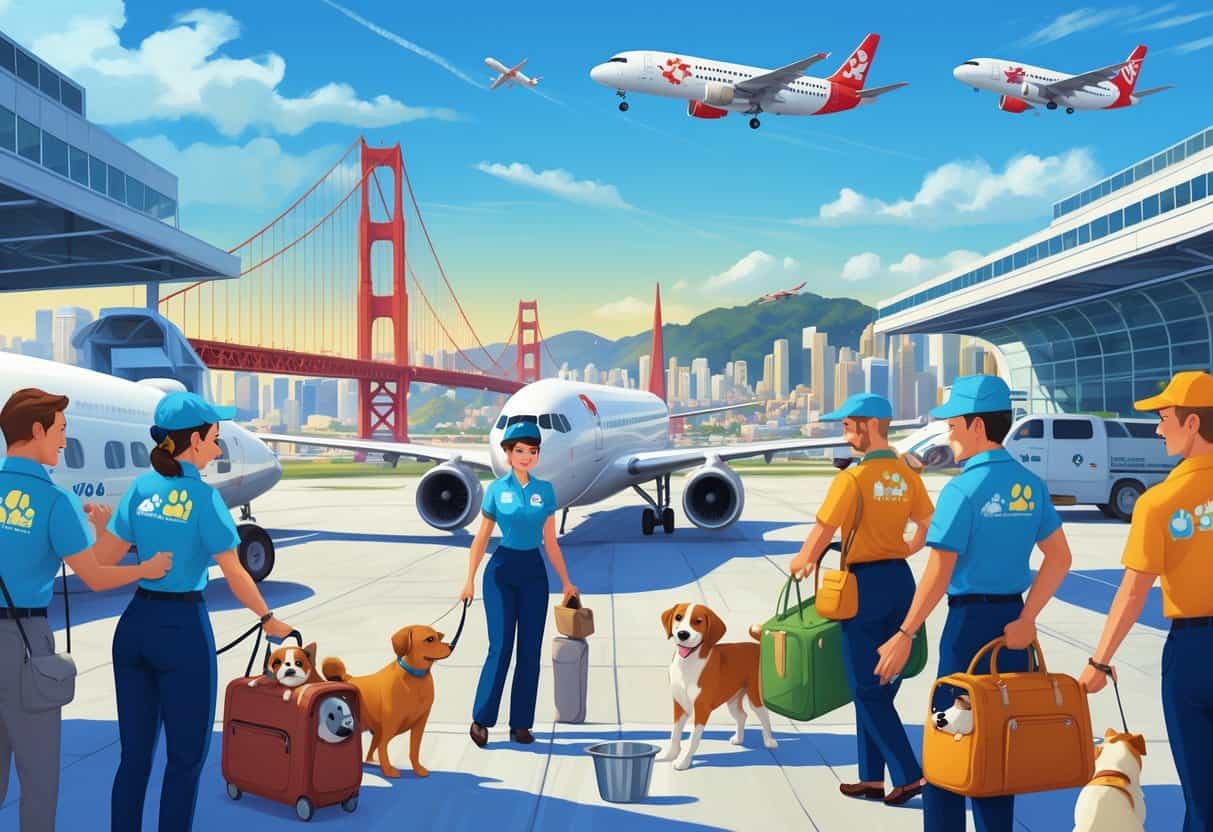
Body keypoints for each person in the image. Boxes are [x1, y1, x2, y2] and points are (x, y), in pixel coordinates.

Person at [873, 375, 1073, 832]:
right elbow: (1059, 558)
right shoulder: (1030, 485)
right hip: (1013, 630)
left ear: (977, 426)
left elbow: (939, 572)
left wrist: (905, 633)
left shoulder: (961, 491)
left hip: (968, 630)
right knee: (1001, 745)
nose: (949, 435)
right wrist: (1027, 618)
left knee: (949, 741)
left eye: (954, 425)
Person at [101, 391, 294, 832]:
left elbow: (105, 560)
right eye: (214, 439)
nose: (218, 448)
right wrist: (268, 618)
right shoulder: (204, 499)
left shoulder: (139, 490)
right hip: (182, 630)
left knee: (133, 757)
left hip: (135, 626)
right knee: (185, 758)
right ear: (193, 441)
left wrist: (98, 528)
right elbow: (236, 572)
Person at [0, 389, 171, 832]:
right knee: (38, 778)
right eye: (60, 430)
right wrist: (143, 566)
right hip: (23, 643)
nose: (64, 440)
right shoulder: (55, 501)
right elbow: (94, 574)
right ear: (36, 431)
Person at [1078, 371, 1213, 832]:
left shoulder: (1159, 503)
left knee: (1201, 797)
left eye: (1164, 417)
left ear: (1192, 423)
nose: (1158, 429)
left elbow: (1134, 590)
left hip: (1193, 653)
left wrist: (1100, 662)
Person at [786, 393, 933, 806]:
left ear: (869, 427)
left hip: (862, 587)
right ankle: (871, 779)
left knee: (866, 689)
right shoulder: (907, 476)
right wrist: (905, 549)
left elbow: (824, 527)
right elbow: (927, 524)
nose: (846, 435)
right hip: (900, 582)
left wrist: (804, 560)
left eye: (849, 428)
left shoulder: (851, 480)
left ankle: (909, 776)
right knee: (878, 687)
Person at [460, 421, 578, 747]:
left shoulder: (546, 491)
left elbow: (550, 542)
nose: (526, 457)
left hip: (533, 573)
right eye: (520, 450)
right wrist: (469, 580)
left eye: (532, 451)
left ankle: (521, 723)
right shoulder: (497, 490)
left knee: (530, 650)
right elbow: (481, 538)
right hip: (501, 571)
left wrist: (566, 581)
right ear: (508, 454)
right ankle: (482, 718)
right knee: (500, 648)